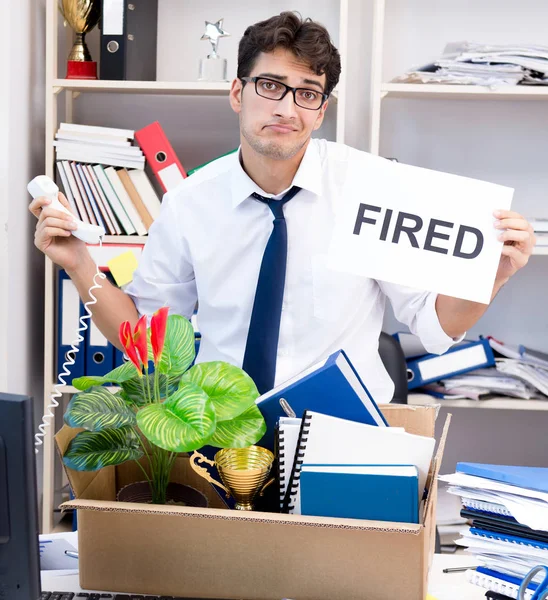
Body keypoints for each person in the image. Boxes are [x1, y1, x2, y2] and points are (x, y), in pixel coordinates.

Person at [29, 12, 536, 401]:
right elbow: (149, 344)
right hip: (222, 432)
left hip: (342, 434)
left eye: (307, 93)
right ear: (237, 92)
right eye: (271, 86)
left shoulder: (370, 188)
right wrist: (79, 263)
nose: (287, 109)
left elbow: (434, 325)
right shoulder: (189, 203)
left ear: (322, 111)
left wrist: (491, 276)